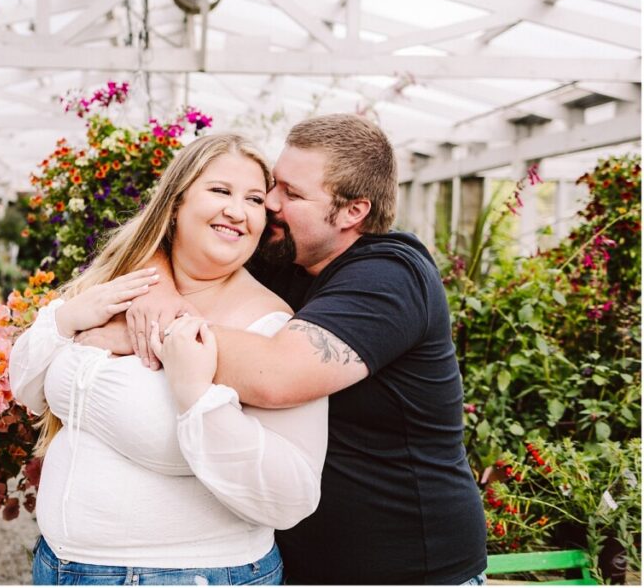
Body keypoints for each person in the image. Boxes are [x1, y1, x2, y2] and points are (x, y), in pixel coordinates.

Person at [108, 114, 487, 584]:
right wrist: (159, 290)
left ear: (352, 212)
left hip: (411, 571)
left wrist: (145, 332)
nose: (270, 202)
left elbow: (277, 376)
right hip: (297, 563)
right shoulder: (286, 253)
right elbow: (174, 233)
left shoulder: (390, 277)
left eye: (292, 193)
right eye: (274, 184)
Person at [9, 134, 328, 586]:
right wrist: (67, 319)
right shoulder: (121, 283)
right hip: (59, 566)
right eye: (220, 190)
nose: (237, 211)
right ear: (176, 203)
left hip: (188, 573)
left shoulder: (270, 328)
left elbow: (292, 497)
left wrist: (196, 395)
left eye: (254, 199)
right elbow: (25, 387)